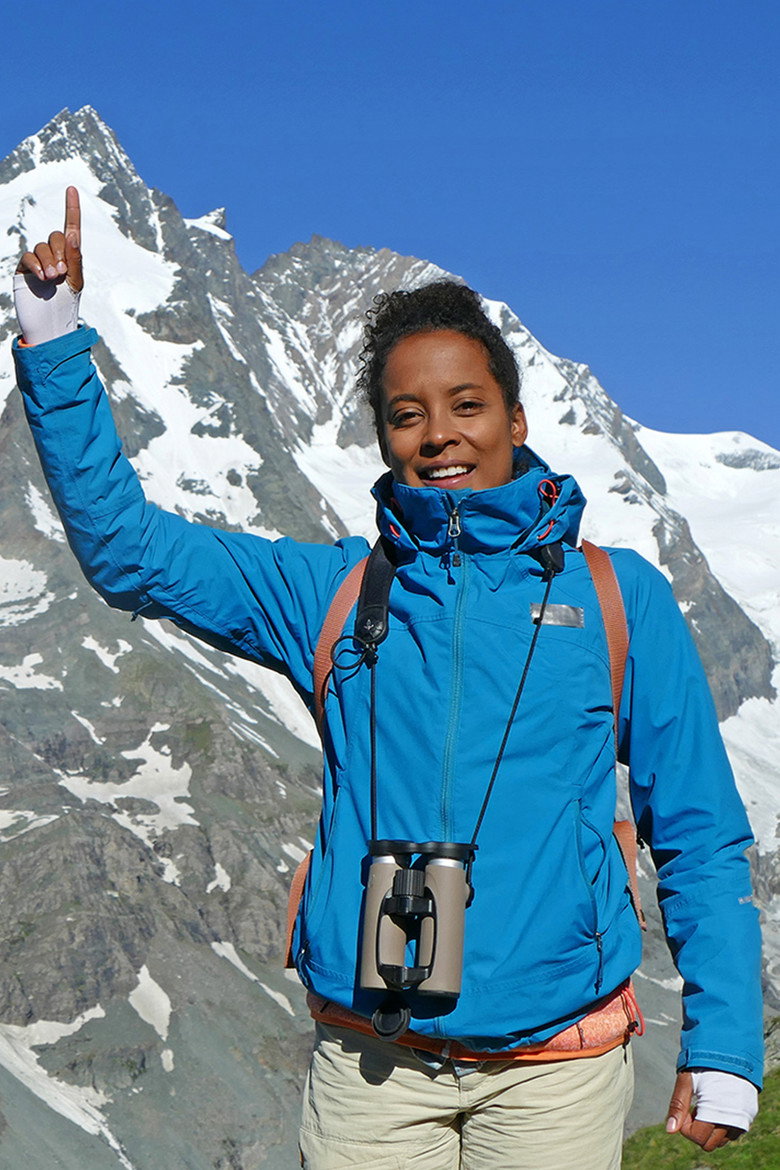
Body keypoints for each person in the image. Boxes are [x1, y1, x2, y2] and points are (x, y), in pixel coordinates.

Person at [13, 189, 763, 1169]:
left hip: (558, 1072)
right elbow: (130, 552)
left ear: (516, 417)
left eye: (466, 405)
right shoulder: (328, 593)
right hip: (371, 1067)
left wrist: (723, 1047)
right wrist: (54, 339)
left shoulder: (619, 601)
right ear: (383, 438)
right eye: (407, 415)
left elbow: (700, 833)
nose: (438, 433)